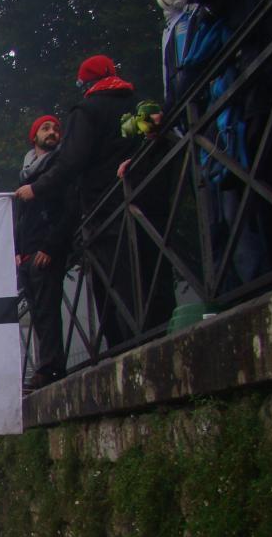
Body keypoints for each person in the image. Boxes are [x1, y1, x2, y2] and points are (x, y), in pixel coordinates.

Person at [17, 55, 173, 348]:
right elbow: (152, 140)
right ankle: (160, 332)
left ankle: (126, 346)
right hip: (141, 196)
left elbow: (72, 161)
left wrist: (37, 189)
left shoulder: (88, 110)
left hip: (104, 205)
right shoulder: (137, 106)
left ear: (86, 83)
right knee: (150, 265)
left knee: (113, 278)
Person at [14, 114, 75, 390]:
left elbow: (69, 209)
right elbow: (22, 216)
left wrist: (51, 246)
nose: (52, 132)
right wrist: (17, 250)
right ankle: (44, 367)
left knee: (48, 310)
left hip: (46, 249)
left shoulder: (60, 168)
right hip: (28, 252)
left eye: (55, 129)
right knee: (37, 312)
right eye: (46, 128)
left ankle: (51, 368)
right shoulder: (27, 171)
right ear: (34, 136)